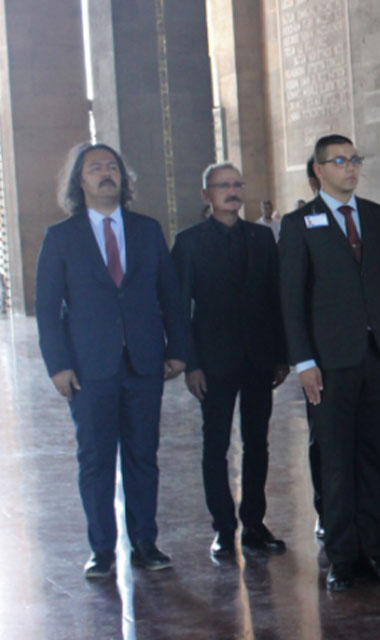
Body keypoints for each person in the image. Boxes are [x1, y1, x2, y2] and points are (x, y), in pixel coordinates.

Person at [35, 143, 190, 577]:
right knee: (96, 459)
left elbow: (171, 296)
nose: (106, 173)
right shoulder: (60, 237)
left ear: (123, 177)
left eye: (112, 167)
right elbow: (48, 309)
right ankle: (102, 549)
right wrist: (58, 366)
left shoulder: (147, 230)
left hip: (144, 364)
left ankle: (145, 541)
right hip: (88, 369)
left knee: (143, 455)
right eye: (95, 168)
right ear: (79, 181)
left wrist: (178, 348)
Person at [278, 134, 380, 591]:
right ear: (319, 170)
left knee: (372, 458)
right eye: (340, 161)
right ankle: (341, 557)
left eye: (355, 159)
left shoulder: (377, 219)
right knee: (334, 459)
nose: (350, 168)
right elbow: (292, 300)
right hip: (329, 362)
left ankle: (372, 553)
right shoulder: (301, 223)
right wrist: (303, 361)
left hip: (378, 357)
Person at [172, 162, 290, 557]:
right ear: (207, 195)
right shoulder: (188, 243)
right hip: (213, 363)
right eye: (223, 186)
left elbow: (276, 300)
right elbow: (178, 308)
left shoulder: (261, 238)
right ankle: (224, 527)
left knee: (258, 443)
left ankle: (254, 523)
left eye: (237, 184)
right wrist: (191, 364)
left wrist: (282, 356)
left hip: (259, 360)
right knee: (216, 446)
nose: (232, 191)